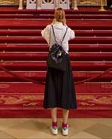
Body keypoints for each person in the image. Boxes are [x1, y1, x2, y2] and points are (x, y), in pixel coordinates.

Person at [41, 8, 77, 136]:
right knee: (65, 91)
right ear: (64, 17)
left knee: (53, 91)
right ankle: (65, 126)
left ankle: (54, 125)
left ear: (54, 16)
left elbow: (42, 34)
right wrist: (65, 24)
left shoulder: (49, 28)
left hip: (53, 61)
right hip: (64, 63)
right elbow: (73, 35)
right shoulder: (67, 30)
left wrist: (51, 24)